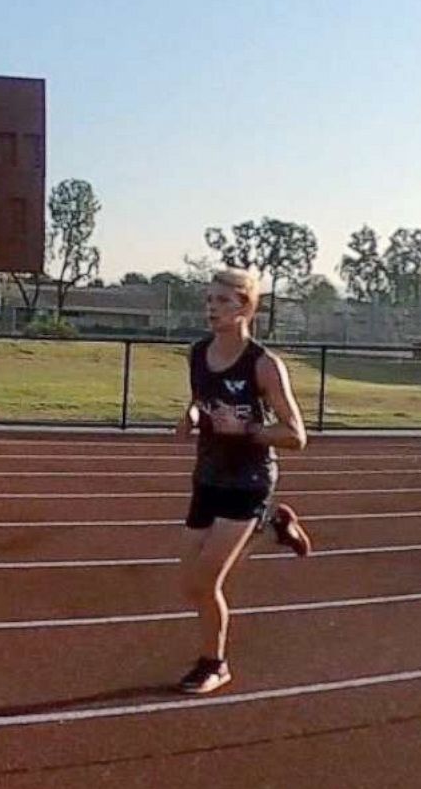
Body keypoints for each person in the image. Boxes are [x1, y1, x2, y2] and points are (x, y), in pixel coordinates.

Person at [174, 268, 313, 695]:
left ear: (246, 308)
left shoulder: (264, 365)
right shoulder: (198, 353)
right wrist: (194, 416)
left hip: (248, 479)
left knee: (204, 582)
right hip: (209, 473)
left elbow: (296, 435)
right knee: (187, 580)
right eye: (209, 300)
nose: (212, 309)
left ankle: (214, 663)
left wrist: (248, 431)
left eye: (222, 301)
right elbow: (202, 401)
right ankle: (272, 524)